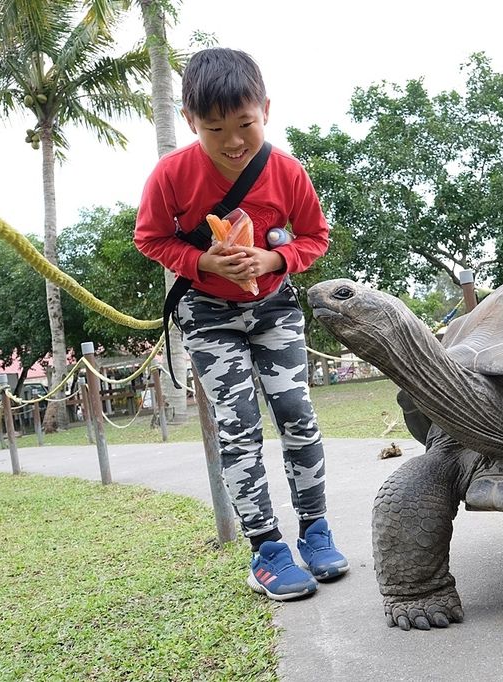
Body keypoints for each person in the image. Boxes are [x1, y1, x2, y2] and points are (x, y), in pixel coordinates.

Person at [134, 47, 347, 601]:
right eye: (215, 128)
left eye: (245, 124)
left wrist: (273, 260)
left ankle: (316, 531)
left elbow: (315, 238)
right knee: (240, 426)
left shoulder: (287, 171)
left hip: (274, 307)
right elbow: (151, 238)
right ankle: (267, 550)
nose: (233, 141)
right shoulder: (171, 175)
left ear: (266, 110)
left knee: (297, 414)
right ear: (190, 123)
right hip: (207, 315)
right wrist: (203, 261)